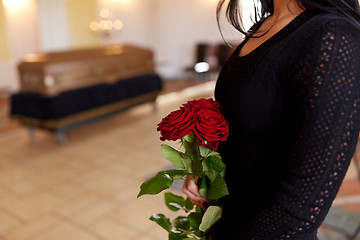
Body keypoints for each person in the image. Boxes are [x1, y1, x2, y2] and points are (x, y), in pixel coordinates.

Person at [182, 0, 360, 239]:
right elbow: (245, 128)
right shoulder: (262, 26)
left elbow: (301, 208)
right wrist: (201, 170)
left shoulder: (334, 36)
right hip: (226, 222)